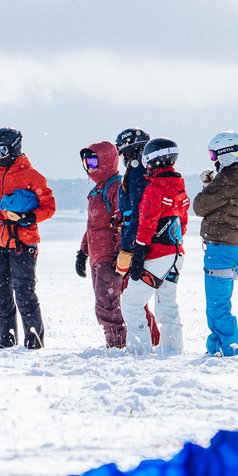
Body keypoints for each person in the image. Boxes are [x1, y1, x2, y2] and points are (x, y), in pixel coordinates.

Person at [0, 127, 55, 349]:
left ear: (15, 147)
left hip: (23, 242)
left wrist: (28, 216)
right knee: (0, 294)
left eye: (2, 150)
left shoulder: (32, 176)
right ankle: (6, 339)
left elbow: (49, 207)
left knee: (24, 293)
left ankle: (34, 341)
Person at [121, 137, 189, 354]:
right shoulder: (180, 187)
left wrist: (139, 254)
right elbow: (183, 223)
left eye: (147, 162)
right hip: (177, 254)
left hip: (157, 255)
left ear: (152, 161)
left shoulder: (154, 189)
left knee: (131, 303)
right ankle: (173, 350)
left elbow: (146, 224)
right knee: (168, 304)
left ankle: (139, 352)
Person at [193, 131, 238, 357]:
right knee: (216, 305)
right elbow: (225, 206)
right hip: (233, 248)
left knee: (218, 307)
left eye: (214, 154)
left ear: (226, 154)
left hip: (222, 249)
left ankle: (231, 351)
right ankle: (215, 350)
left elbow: (199, 206)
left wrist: (208, 185)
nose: (214, 160)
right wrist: (212, 183)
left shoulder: (229, 179)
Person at [74, 141, 126, 348]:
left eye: (94, 162)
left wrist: (122, 254)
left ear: (106, 160)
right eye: (87, 164)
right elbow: (92, 225)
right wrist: (82, 252)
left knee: (107, 303)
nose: (90, 168)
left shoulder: (116, 187)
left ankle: (118, 345)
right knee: (103, 303)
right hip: (97, 256)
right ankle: (115, 342)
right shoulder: (97, 190)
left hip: (110, 256)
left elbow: (124, 222)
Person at [113, 128, 160, 347]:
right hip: (147, 238)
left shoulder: (137, 170)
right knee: (143, 296)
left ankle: (147, 343)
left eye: (122, 153)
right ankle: (154, 340)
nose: (122, 158)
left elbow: (139, 212)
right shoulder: (146, 168)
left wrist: (128, 247)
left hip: (138, 240)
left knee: (134, 297)